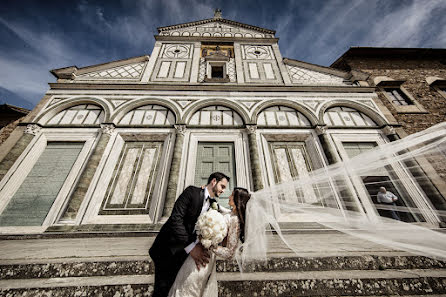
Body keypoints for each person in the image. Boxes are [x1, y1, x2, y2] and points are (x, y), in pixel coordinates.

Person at [149, 172, 229, 297]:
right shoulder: (191, 192)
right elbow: (176, 219)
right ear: (214, 182)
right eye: (222, 186)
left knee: (175, 289)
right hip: (168, 248)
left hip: (185, 255)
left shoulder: (214, 205)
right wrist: (191, 247)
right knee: (162, 290)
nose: (223, 191)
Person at [167, 187, 251, 297]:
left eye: (232, 195)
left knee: (190, 286)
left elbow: (230, 253)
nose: (229, 196)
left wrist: (209, 244)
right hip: (197, 253)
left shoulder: (235, 221)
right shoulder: (229, 213)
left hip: (205, 257)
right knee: (182, 283)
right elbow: (216, 206)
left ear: (237, 199)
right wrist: (204, 191)